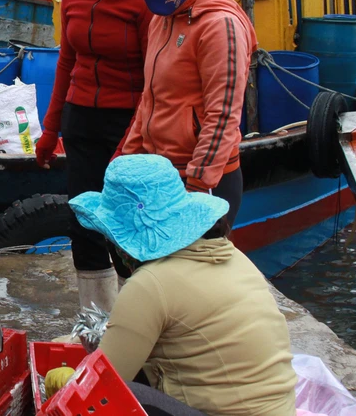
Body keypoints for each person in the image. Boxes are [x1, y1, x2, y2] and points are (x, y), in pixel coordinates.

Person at [51, 154, 297, 415]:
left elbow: (102, 383)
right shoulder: (233, 256)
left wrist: (65, 380)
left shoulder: (150, 284)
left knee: (122, 392)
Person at [33, 0, 153, 313]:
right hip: (80, 119)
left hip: (129, 122)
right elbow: (66, 62)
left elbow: (154, 78)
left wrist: (132, 140)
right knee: (83, 218)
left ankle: (138, 318)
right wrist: (50, 130)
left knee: (128, 222)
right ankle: (96, 320)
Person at [108, 0, 257, 225]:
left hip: (205, 183)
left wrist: (197, 188)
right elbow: (150, 100)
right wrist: (123, 161)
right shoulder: (161, 18)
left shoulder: (220, 26)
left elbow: (223, 117)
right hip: (161, 175)